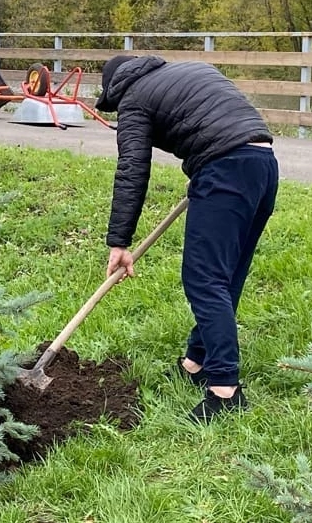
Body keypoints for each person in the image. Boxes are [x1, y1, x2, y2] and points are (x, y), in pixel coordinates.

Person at [95, 54, 277, 421]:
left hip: (225, 169)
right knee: (226, 275)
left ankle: (225, 390)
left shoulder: (133, 99)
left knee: (205, 279)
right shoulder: (190, 68)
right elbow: (215, 119)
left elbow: (132, 169)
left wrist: (119, 241)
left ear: (115, 90)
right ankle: (197, 362)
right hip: (264, 163)